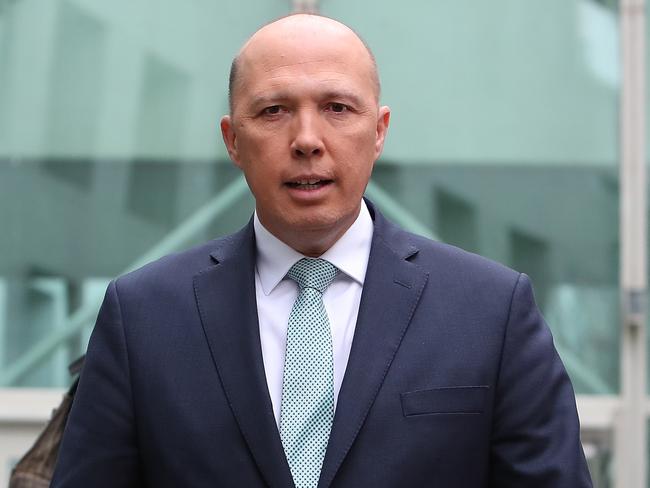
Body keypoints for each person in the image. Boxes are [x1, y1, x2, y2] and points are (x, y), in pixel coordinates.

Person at [51, 13, 592, 488]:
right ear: (232, 140)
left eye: (337, 107)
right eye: (273, 111)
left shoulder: (490, 311)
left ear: (379, 131)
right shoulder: (142, 316)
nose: (307, 139)